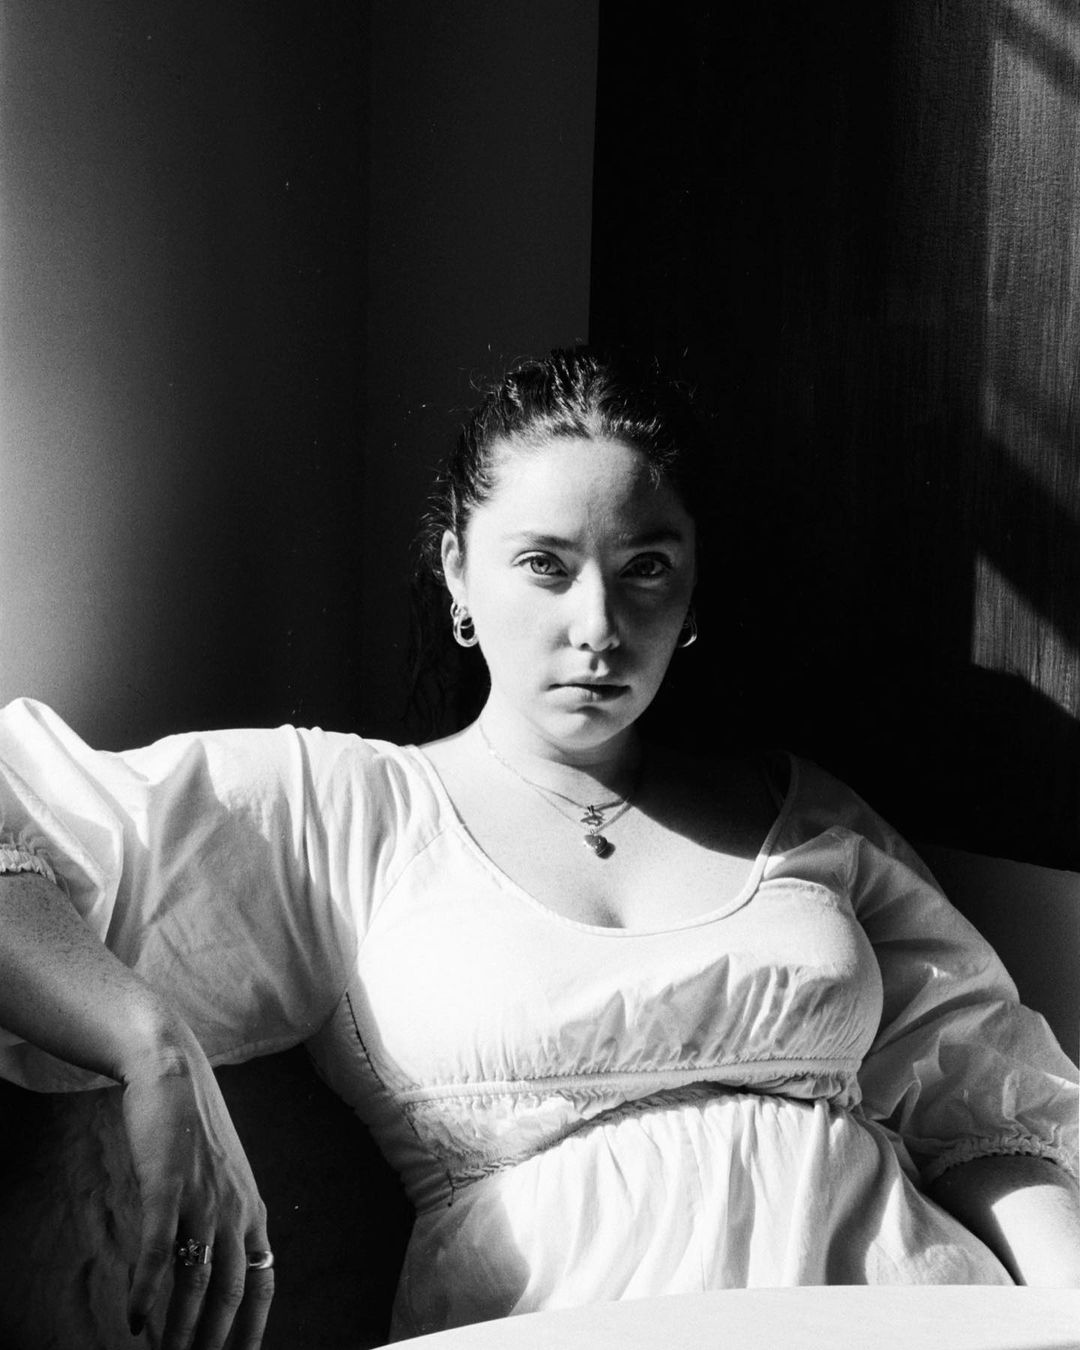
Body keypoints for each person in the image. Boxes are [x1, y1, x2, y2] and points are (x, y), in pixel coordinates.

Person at [0, 347, 1077, 1350]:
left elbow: (991, 1115)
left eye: (645, 566)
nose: (598, 624)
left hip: (909, 1311)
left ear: (693, 592)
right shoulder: (351, 807)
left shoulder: (808, 815)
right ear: (458, 574)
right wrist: (155, 1048)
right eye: (544, 566)